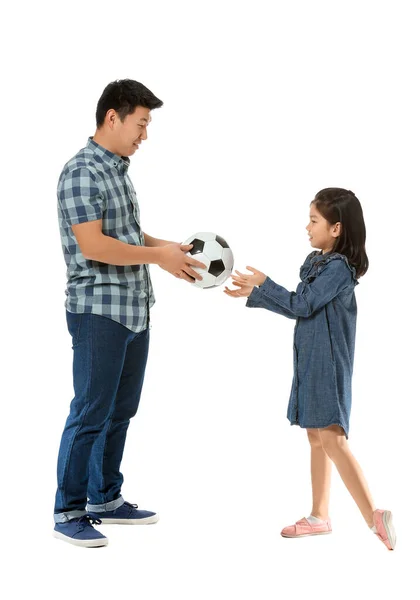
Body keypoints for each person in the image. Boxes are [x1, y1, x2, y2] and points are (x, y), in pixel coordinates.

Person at [54, 79, 206, 547]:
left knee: (121, 409)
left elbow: (128, 235)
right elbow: (94, 245)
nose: (145, 135)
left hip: (133, 309)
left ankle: (104, 497)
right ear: (112, 117)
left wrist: (169, 249)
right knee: (90, 412)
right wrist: (158, 259)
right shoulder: (82, 171)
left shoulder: (118, 169)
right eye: (141, 124)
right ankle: (68, 511)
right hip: (99, 310)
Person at [224, 188, 396, 550]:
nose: (307, 226)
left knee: (332, 437)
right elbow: (301, 307)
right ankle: (319, 515)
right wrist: (256, 293)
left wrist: (262, 286)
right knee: (317, 436)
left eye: (314, 220)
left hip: (327, 363)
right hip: (311, 359)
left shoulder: (337, 269)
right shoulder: (320, 262)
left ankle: (373, 515)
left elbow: (302, 305)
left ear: (336, 228)